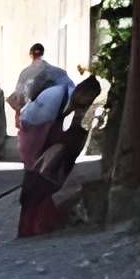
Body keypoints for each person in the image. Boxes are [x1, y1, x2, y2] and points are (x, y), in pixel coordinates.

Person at [18, 75, 101, 238]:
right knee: (40, 186)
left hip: (55, 151)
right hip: (54, 150)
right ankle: (34, 225)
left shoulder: (70, 106)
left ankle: (32, 226)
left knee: (39, 187)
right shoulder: (64, 105)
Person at [11, 49, 73, 172]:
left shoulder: (26, 72)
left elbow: (18, 97)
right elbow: (71, 88)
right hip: (60, 108)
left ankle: (34, 170)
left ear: (30, 54)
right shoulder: (58, 71)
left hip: (39, 111)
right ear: (43, 53)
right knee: (50, 141)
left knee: (32, 147)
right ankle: (48, 169)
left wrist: (17, 115)